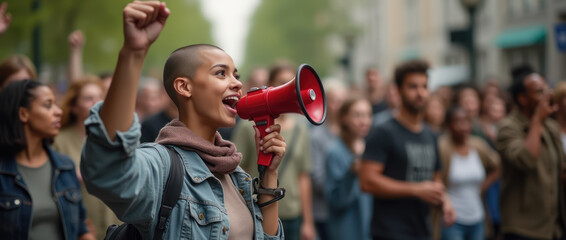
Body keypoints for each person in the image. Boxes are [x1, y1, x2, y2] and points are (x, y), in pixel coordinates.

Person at [80, 2, 285, 239]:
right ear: (184, 87)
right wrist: (132, 55)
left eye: (236, 75)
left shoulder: (237, 175)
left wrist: (269, 174)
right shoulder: (162, 167)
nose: (238, 83)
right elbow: (109, 172)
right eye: (221, 73)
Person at [360, 59, 455, 240]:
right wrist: (416, 189)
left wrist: (446, 201)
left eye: (424, 86)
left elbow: (435, 177)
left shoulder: (431, 134)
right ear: (398, 90)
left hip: (423, 229)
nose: (420, 93)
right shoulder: (383, 132)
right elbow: (367, 181)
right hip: (390, 231)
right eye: (413, 87)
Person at [0, 80, 94, 240]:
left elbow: (80, 229)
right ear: (23, 113)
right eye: (48, 105)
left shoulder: (65, 166)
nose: (58, 111)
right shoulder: (3, 172)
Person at [232, 61, 316, 240]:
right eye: (282, 83)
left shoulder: (301, 128)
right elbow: (239, 171)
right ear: (269, 85)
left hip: (292, 213)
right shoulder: (249, 127)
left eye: (290, 82)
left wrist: (308, 221)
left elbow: (303, 176)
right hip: (257, 211)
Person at [496, 65, 566, 240]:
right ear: (522, 98)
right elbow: (526, 159)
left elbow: (560, 169)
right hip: (523, 229)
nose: (546, 96)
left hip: (552, 228)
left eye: (547, 90)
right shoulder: (508, 127)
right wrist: (537, 119)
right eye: (539, 92)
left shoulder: (550, 126)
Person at [52, 76, 121, 239]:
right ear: (74, 107)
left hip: (117, 225)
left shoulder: (117, 137)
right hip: (81, 227)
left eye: (100, 97)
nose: (96, 103)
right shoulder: (58, 141)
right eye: (89, 98)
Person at [434, 106, 500, 240]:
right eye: (458, 121)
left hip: (477, 217)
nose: (463, 126)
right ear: (448, 125)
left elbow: (498, 165)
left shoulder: (478, 145)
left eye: (467, 121)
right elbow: (436, 177)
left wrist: (483, 186)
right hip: (453, 220)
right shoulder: (442, 147)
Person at [325, 97, 373, 240]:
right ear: (344, 118)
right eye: (358, 115)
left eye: (368, 115)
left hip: (369, 229)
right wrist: (351, 173)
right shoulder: (335, 152)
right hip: (346, 229)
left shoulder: (371, 149)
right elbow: (336, 200)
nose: (364, 121)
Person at [309, 79, 347, 240]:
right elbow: (318, 179)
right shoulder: (316, 136)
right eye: (333, 101)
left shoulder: (352, 136)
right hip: (324, 212)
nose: (337, 106)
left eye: (341, 101)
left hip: (348, 211)